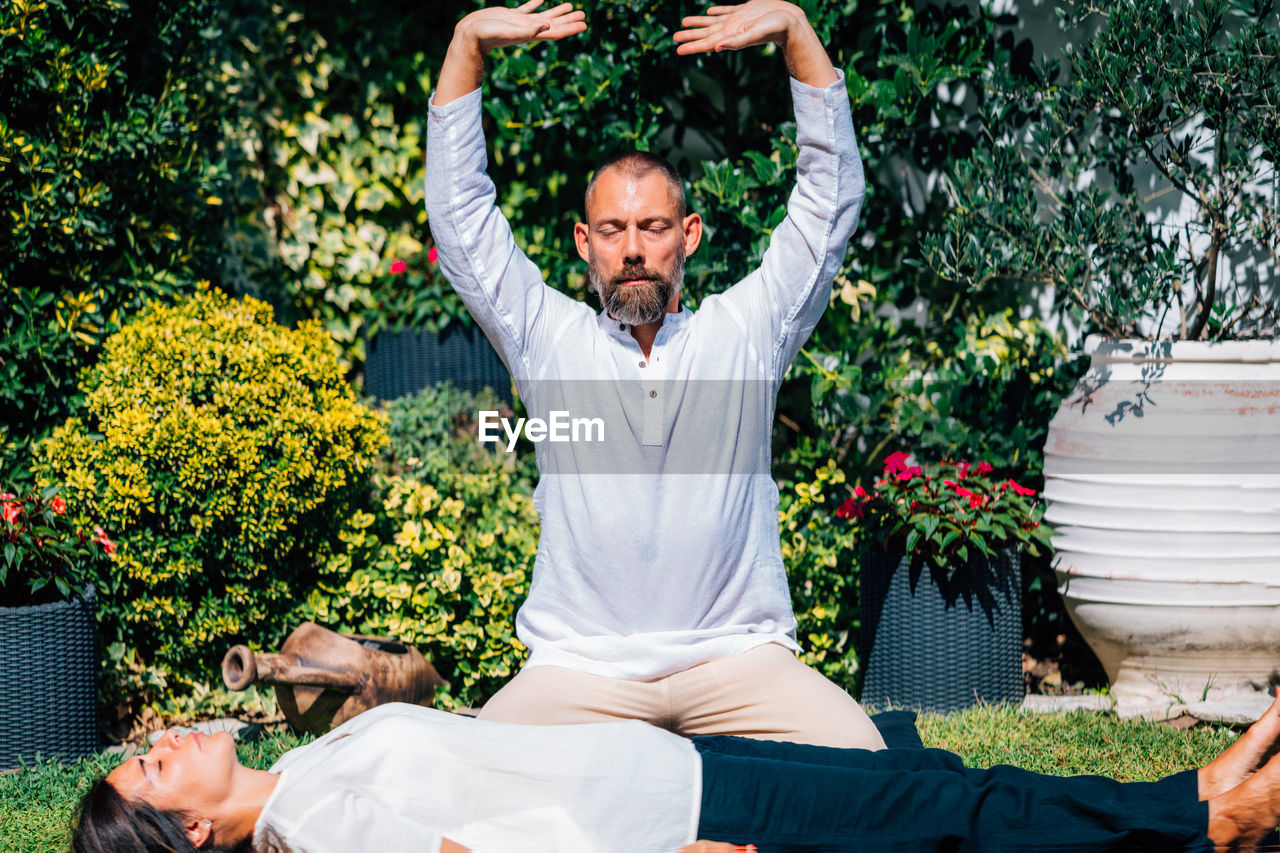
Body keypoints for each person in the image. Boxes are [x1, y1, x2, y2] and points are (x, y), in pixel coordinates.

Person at [426, 0, 883, 749]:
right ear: (585, 242)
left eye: (653, 227)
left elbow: (830, 205)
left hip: (740, 662)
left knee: (869, 769)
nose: (633, 247)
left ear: (688, 236)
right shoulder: (548, 339)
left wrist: (798, 32)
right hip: (579, 673)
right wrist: (465, 41)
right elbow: (459, 214)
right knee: (476, 783)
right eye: (613, 229)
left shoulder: (744, 333)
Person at [73, 695, 1280, 852]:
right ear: (180, 837)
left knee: (931, 791)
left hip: (678, 767)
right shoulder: (319, 825)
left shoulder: (308, 770)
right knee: (941, 813)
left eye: (142, 747)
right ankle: (1202, 816)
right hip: (674, 814)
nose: (160, 741)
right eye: (147, 771)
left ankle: (1189, 805)